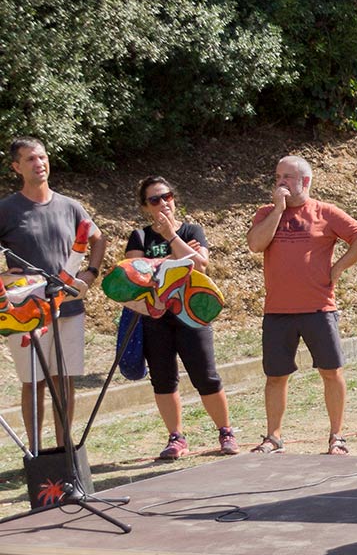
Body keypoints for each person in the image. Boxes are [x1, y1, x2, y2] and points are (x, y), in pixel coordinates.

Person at [244, 155, 357, 455]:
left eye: (287, 177)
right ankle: (273, 437)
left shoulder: (325, 213)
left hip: (319, 309)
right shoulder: (265, 213)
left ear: (306, 182)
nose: (280, 182)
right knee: (276, 376)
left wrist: (338, 268)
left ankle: (336, 436)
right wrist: (278, 209)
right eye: (278, 176)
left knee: (331, 371)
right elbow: (255, 244)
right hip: (277, 311)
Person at [0, 137, 107, 451]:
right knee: (33, 382)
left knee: (64, 379)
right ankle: (35, 455)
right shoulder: (7, 209)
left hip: (67, 307)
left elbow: (97, 238)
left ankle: (64, 452)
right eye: (31, 159)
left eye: (43, 157)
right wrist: (3, 277)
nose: (39, 164)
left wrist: (91, 273)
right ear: (16, 167)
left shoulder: (70, 206)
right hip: (24, 312)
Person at [126, 176, 238, 459]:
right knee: (163, 379)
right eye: (155, 200)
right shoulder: (139, 237)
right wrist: (173, 261)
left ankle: (226, 432)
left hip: (191, 314)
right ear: (144, 207)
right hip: (155, 317)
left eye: (168, 197)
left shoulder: (191, 230)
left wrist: (171, 238)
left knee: (206, 376)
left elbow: (199, 265)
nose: (163, 203)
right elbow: (135, 278)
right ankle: (176, 438)